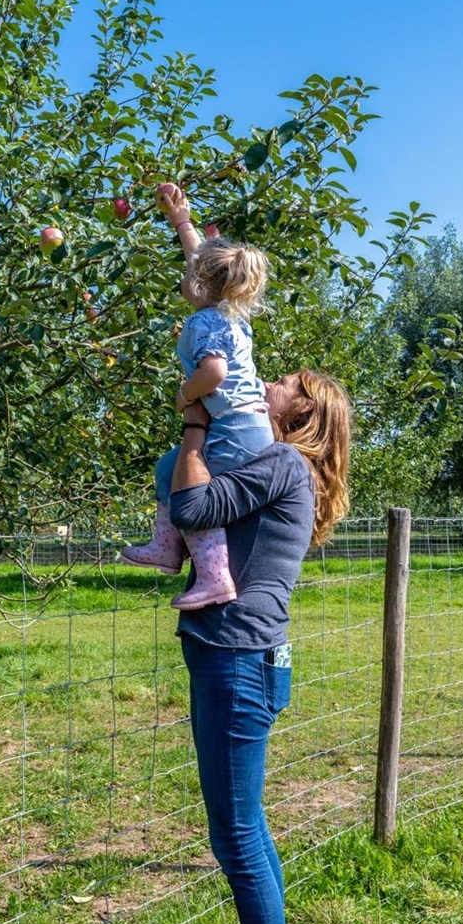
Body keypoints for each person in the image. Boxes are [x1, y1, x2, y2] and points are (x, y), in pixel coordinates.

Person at [167, 369, 352, 924]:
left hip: (236, 659)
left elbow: (189, 508)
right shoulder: (287, 469)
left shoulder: (279, 462)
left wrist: (195, 424)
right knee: (249, 829)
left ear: (306, 408)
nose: (268, 381)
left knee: (237, 838)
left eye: (286, 381)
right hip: (255, 658)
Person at [118, 183, 276, 610]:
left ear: (203, 286)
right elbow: (200, 261)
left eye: (189, 273)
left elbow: (214, 372)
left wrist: (185, 394)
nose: (184, 275)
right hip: (249, 425)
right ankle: (167, 547)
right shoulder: (228, 312)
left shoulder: (205, 322)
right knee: (170, 468)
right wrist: (181, 221)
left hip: (232, 428)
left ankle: (214, 577)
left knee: (194, 494)